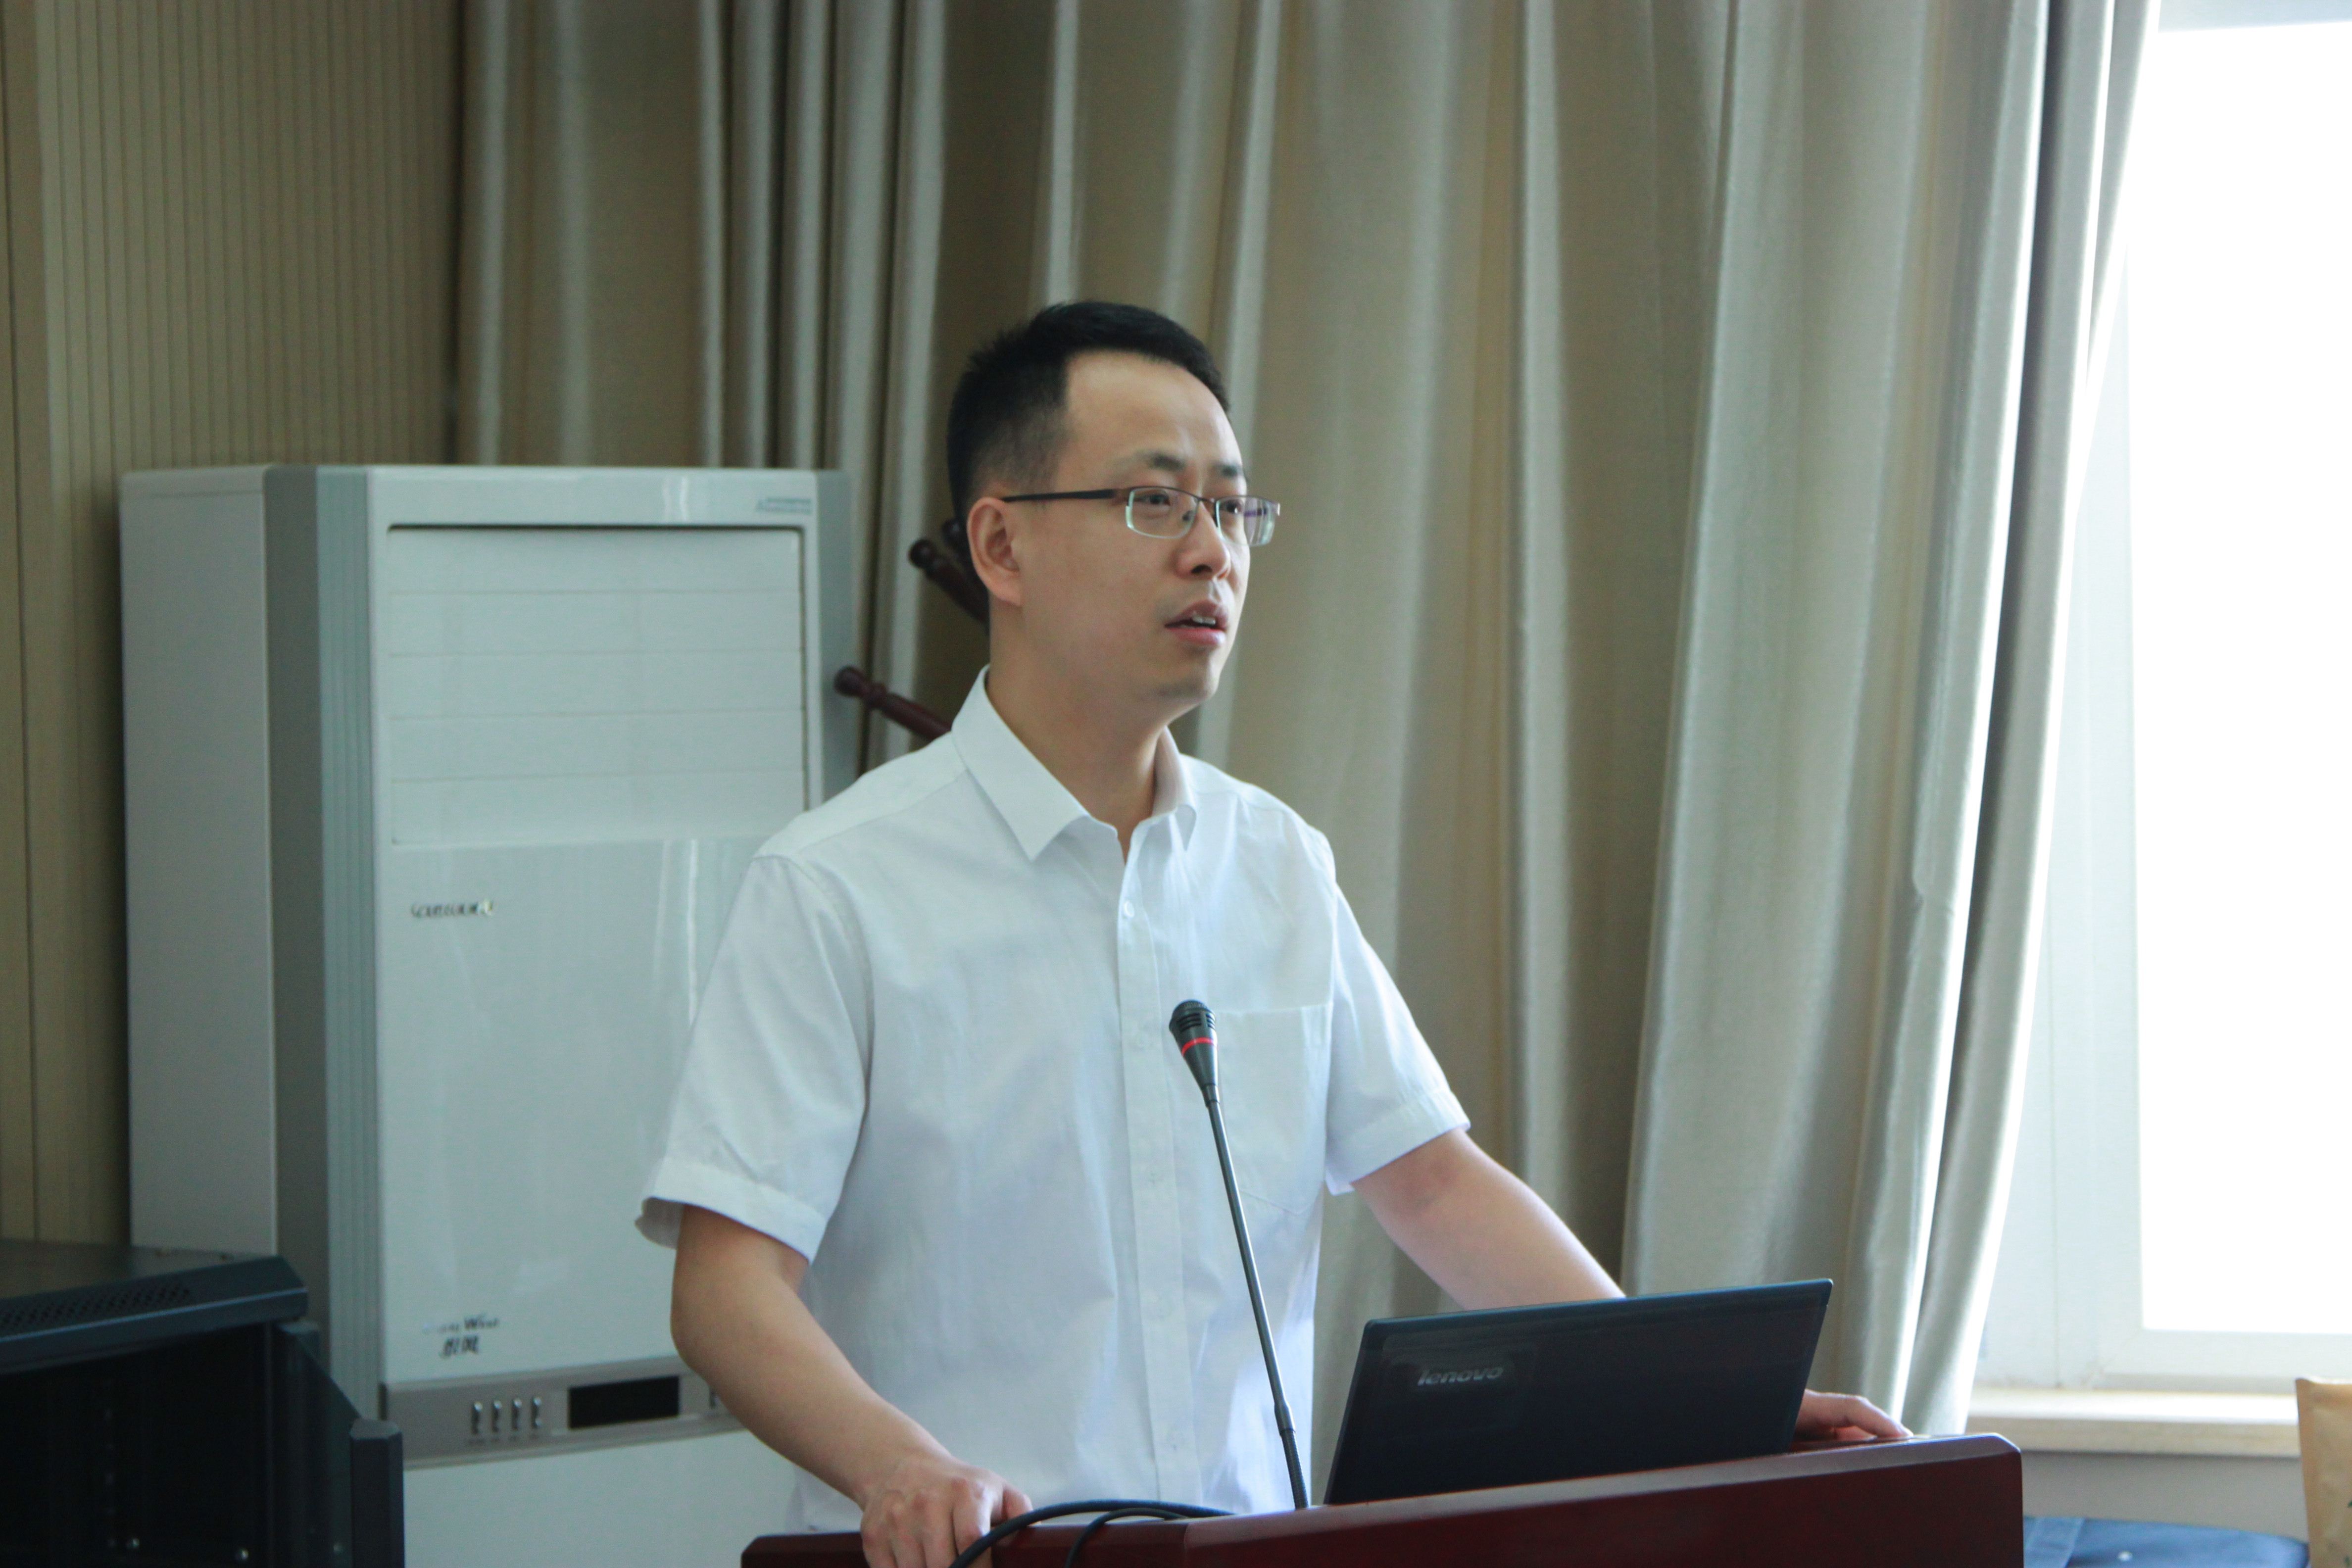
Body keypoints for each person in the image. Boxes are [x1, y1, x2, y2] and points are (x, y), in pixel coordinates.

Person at [639, 302, 1903, 1568]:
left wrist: (1695, 1403)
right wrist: (895, 1463)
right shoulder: (836, 886)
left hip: (1245, 1555)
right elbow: (727, 1286)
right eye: (1155, 503)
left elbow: (1433, 1181)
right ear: (1002, 546)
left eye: (1235, 510)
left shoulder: (1274, 864)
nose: (1213, 554)